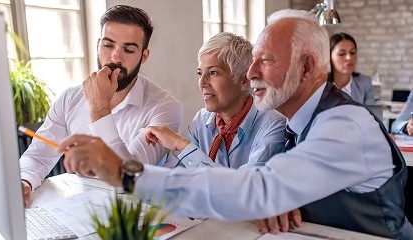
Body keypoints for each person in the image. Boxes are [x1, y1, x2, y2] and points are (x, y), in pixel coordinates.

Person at [57, 9, 413, 239]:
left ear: (306, 68)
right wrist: (282, 196)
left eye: (266, 61)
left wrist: (125, 173)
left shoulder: (345, 123)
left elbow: (255, 190)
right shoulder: (298, 123)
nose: (252, 74)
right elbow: (268, 190)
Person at [19, 5, 182, 207]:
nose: (115, 57)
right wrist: (24, 181)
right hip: (77, 206)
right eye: (108, 45)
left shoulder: (165, 108)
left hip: (132, 215)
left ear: (144, 56)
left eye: (128, 50)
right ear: (98, 45)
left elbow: (129, 179)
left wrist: (99, 108)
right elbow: (38, 156)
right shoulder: (70, 97)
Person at [145, 32, 297, 234]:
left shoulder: (273, 126)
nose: (202, 83)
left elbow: (242, 194)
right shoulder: (202, 119)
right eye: (200, 73)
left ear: (244, 81)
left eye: (214, 73)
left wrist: (182, 146)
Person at [328, 32, 375, 105]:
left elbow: (372, 114)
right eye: (341, 54)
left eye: (352, 52)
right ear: (330, 57)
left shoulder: (364, 83)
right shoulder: (320, 85)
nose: (349, 58)